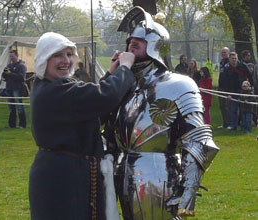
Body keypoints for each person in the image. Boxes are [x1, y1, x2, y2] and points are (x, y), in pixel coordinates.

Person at [103, 6, 219, 219]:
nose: (132, 43)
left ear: (158, 45)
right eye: (130, 41)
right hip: (120, 175)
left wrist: (189, 191)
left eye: (141, 40)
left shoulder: (179, 84)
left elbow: (198, 140)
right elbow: (101, 118)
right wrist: (112, 75)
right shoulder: (124, 84)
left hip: (159, 176)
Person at [29, 32, 136, 220]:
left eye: (69, 54)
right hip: (63, 179)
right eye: (58, 55)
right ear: (44, 59)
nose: (66, 61)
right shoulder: (55, 90)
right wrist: (125, 68)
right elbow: (105, 96)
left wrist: (111, 73)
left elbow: (92, 109)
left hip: (68, 173)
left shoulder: (53, 87)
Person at [2, 50, 27, 128]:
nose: (11, 58)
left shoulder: (21, 66)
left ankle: (22, 124)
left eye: (12, 56)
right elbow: (4, 77)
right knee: (11, 107)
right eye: (10, 56)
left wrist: (10, 74)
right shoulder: (9, 66)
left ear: (17, 56)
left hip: (17, 88)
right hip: (9, 88)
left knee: (19, 107)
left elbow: (21, 77)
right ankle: (12, 124)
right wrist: (4, 73)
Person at [217, 47, 230, 129]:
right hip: (220, 87)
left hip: (227, 87)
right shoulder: (221, 62)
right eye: (222, 52)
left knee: (227, 106)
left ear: (228, 53)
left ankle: (230, 123)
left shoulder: (229, 62)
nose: (223, 54)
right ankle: (224, 123)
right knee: (222, 106)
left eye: (225, 52)